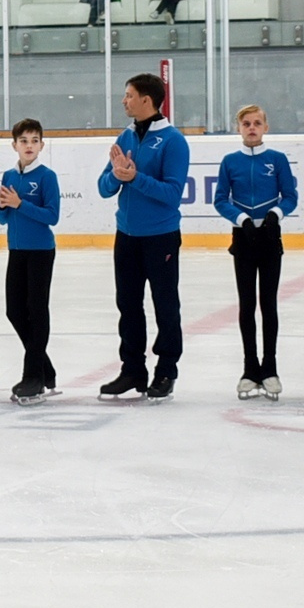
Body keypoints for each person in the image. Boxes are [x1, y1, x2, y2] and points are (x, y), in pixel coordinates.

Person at [97, 72, 190, 400]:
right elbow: (103, 186)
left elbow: (172, 194)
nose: (124, 100)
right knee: (128, 305)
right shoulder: (125, 136)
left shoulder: (173, 141)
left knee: (165, 305)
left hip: (160, 237)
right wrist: (117, 177)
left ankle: (166, 370)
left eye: (128, 95)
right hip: (126, 236)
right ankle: (133, 370)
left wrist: (134, 178)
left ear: (147, 100)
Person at [216, 102, 300, 400]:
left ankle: (270, 368)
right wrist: (241, 220)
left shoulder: (277, 160)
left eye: (256, 123)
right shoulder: (229, 161)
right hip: (243, 239)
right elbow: (220, 200)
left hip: (269, 237)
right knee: (247, 304)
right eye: (246, 124)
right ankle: (250, 368)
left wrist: (276, 214)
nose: (251, 128)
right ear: (239, 128)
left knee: (269, 304)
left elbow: (290, 195)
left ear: (266, 127)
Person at [0, 117, 60, 405]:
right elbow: (1, 218)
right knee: (14, 311)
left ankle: (33, 376)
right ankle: (45, 367)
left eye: (34, 140)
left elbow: (52, 216)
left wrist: (21, 204)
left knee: (36, 309)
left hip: (41, 251)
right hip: (16, 250)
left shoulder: (47, 176)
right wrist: (2, 206)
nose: (29, 145)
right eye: (24, 141)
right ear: (14, 145)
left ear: (42, 145)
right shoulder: (9, 176)